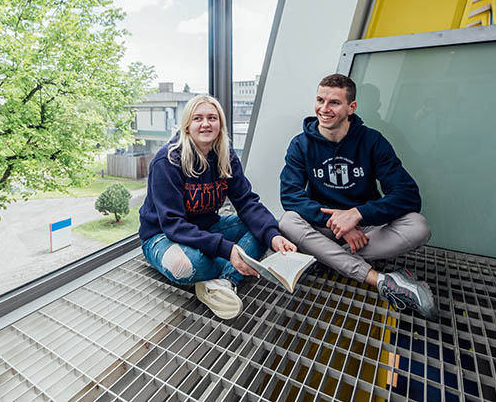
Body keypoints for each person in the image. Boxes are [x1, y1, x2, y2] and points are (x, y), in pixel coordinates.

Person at [279, 74, 438, 320]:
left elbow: (407, 195)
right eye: (320, 100)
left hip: (366, 228)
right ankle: (381, 279)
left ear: (351, 107)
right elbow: (291, 196)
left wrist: (357, 214)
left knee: (418, 226)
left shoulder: (372, 141)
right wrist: (340, 225)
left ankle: (325, 256)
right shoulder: (301, 145)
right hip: (325, 227)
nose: (324, 108)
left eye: (334, 102)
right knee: (287, 221)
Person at [139, 94, 297, 320]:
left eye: (212, 118)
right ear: (187, 125)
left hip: (207, 228)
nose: (205, 124)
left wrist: (272, 236)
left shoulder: (225, 155)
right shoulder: (168, 161)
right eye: (198, 118)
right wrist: (228, 250)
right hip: (162, 235)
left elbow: (246, 201)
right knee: (187, 265)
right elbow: (173, 224)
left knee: (261, 227)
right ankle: (232, 266)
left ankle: (223, 281)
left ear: (220, 124)